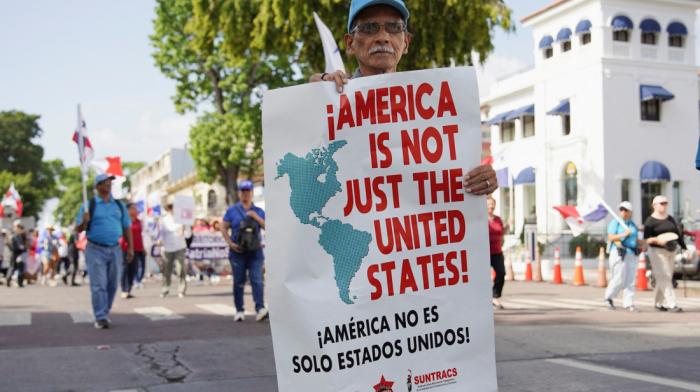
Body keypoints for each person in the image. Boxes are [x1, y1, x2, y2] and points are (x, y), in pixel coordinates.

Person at [308, 0, 498, 197]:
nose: (382, 37)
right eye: (369, 27)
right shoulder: (330, 102)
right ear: (350, 43)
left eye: (394, 27)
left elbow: (449, 173)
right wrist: (310, 103)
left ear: (405, 42)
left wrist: (480, 178)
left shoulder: (437, 108)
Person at [75, 174, 133, 329]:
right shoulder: (89, 205)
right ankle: (100, 316)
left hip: (115, 248)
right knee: (99, 283)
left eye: (110, 183)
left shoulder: (119, 206)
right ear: (97, 186)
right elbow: (78, 229)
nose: (109, 185)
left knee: (113, 284)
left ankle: (105, 311)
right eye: (105, 183)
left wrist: (131, 248)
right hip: (95, 248)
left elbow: (126, 227)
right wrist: (83, 221)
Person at [221, 179, 268, 322]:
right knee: (238, 281)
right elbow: (223, 227)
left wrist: (256, 217)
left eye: (248, 191)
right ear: (239, 193)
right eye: (243, 191)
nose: (245, 194)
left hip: (255, 251)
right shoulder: (231, 210)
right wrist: (230, 243)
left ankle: (260, 308)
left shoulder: (259, 211)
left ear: (252, 193)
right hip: (237, 251)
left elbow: (267, 227)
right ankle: (239, 310)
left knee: (257, 280)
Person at [644, 195, 687, 312]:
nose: (663, 206)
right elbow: (646, 239)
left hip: (671, 250)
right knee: (665, 275)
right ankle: (672, 303)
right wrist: (657, 240)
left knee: (664, 277)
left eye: (665, 203)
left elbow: (677, 234)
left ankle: (658, 303)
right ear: (654, 205)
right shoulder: (650, 220)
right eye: (661, 204)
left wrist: (685, 248)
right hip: (657, 251)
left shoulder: (670, 218)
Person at [604, 202, 648, 312]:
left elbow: (636, 240)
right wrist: (624, 234)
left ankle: (629, 303)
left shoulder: (632, 225)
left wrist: (648, 241)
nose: (623, 212)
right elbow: (611, 237)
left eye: (626, 210)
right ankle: (609, 297)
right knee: (618, 278)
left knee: (631, 280)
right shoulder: (616, 222)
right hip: (619, 253)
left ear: (630, 212)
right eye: (621, 210)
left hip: (631, 253)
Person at [487, 196, 512, 309]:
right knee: (484, 277)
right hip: (485, 253)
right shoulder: (482, 219)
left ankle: (495, 296)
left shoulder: (497, 219)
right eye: (488, 204)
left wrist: (508, 225)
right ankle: (484, 297)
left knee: (501, 273)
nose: (491, 207)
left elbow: (501, 233)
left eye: (492, 204)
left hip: (497, 252)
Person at [159, 204, 188, 298]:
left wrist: (184, 230)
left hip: (179, 246)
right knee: (167, 269)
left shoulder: (183, 219)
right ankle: (165, 289)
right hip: (167, 247)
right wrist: (159, 239)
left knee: (181, 269)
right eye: (171, 208)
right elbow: (160, 233)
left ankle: (181, 290)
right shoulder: (163, 219)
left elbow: (188, 234)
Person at [120, 203, 145, 299]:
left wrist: (142, 247)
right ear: (128, 210)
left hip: (137, 249)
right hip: (125, 248)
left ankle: (129, 289)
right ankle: (124, 289)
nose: (136, 210)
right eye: (134, 208)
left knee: (133, 269)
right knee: (124, 268)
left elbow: (139, 235)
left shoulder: (138, 221)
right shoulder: (124, 221)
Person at [5, 220, 28, 288]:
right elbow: (26, 243)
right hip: (19, 253)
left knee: (13, 267)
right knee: (18, 267)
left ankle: (9, 279)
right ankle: (19, 282)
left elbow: (6, 243)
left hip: (13, 252)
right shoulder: (22, 232)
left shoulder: (9, 233)